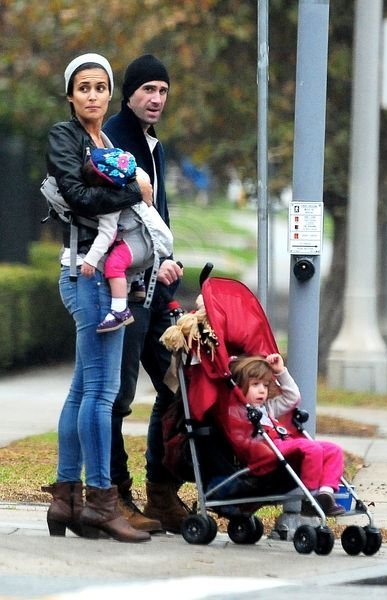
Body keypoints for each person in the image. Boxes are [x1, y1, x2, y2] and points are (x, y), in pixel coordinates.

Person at [41, 53, 153, 543]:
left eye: (100, 87)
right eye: (83, 87)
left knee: (83, 390)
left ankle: (66, 499)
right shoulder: (64, 136)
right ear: (70, 95)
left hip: (103, 273)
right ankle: (102, 502)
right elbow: (80, 198)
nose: (92, 95)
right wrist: (133, 190)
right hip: (87, 273)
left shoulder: (107, 142)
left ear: (110, 94)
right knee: (102, 393)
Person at [103, 54, 186, 533]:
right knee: (116, 397)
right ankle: (114, 493)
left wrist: (168, 261)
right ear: (129, 93)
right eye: (148, 89)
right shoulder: (114, 139)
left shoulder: (154, 145)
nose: (156, 99)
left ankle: (162, 491)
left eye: (163, 91)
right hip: (125, 290)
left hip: (156, 291)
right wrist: (154, 258)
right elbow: (118, 219)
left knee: (178, 385)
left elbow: (159, 218)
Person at [229, 353, 346, 516]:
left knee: (333, 449)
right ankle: (310, 497)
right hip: (264, 452)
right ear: (239, 387)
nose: (262, 390)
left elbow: (293, 398)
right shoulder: (237, 411)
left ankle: (325, 494)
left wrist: (281, 372)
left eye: (265, 385)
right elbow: (238, 438)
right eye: (255, 384)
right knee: (310, 448)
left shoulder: (268, 408)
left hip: (282, 445)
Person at [81, 148, 173, 333]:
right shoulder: (135, 178)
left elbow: (106, 234)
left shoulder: (111, 202)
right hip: (151, 237)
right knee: (121, 252)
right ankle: (137, 283)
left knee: (114, 264)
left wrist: (91, 259)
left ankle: (119, 310)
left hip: (146, 241)